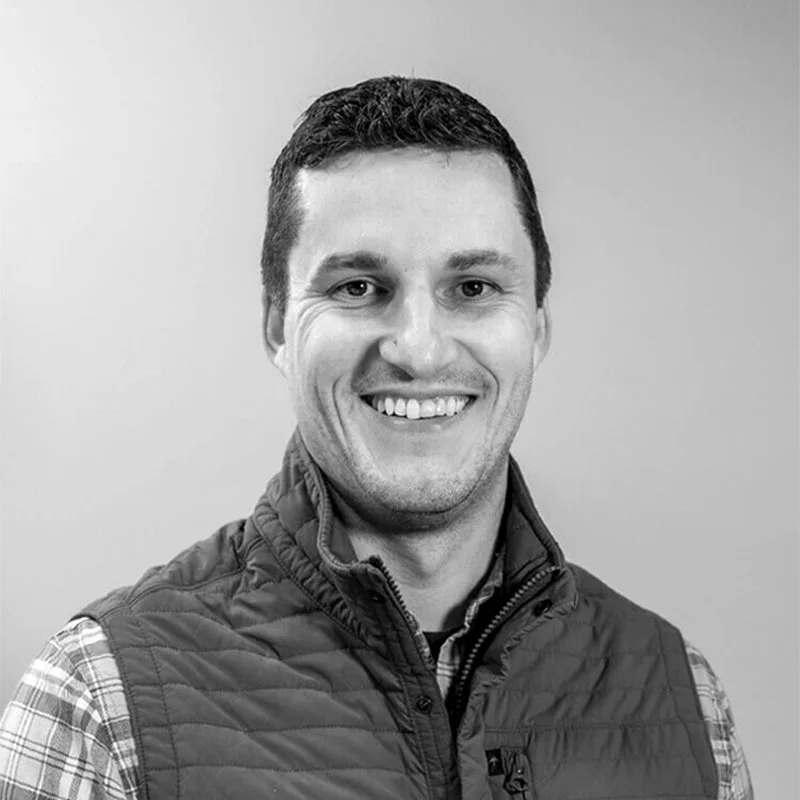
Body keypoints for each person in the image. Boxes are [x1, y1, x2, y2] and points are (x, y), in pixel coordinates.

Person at [0, 75, 753, 800]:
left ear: (537, 327)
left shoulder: (684, 701)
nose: (418, 350)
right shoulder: (99, 704)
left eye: (473, 288)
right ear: (277, 326)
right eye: (358, 287)